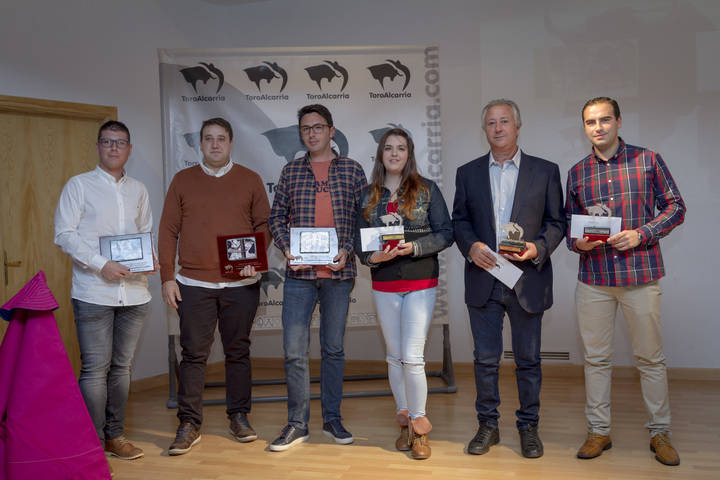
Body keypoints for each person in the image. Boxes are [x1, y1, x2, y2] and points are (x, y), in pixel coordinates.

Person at [566, 97, 686, 466]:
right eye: (590, 122)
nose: (598, 127)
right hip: (594, 279)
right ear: (584, 128)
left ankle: (660, 432)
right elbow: (570, 225)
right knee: (596, 360)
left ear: (619, 121)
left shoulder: (648, 159)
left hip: (640, 276)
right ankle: (598, 431)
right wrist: (579, 243)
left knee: (650, 359)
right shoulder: (577, 172)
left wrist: (642, 233)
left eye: (604, 120)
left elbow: (676, 206)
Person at [452, 99, 565, 458]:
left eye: (504, 121)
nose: (498, 128)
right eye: (491, 123)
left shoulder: (545, 171)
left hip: (526, 279)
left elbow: (557, 222)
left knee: (528, 360)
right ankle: (488, 426)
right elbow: (459, 221)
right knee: (485, 360)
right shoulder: (467, 173)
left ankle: (528, 426)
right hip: (483, 278)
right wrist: (470, 246)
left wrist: (537, 248)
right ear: (484, 129)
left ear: (517, 126)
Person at [158, 117, 270, 455]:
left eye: (221, 138)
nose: (215, 144)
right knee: (193, 355)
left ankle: (239, 416)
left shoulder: (250, 179)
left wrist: (256, 260)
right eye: (209, 138)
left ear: (231, 143)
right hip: (193, 282)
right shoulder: (182, 180)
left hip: (241, 283)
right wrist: (167, 276)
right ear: (201, 144)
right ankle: (189, 423)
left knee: (238, 351)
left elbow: (264, 225)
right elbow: (168, 231)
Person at [54, 120, 154, 468]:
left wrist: (149, 260)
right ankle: (92, 444)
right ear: (98, 146)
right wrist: (101, 264)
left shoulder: (139, 189)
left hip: (135, 295)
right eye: (107, 141)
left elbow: (144, 232)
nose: (114, 147)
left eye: (120, 142)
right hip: (94, 292)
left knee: (122, 368)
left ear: (129, 149)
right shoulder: (78, 186)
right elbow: (64, 234)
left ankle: (115, 436)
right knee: (96, 370)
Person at [268, 104, 367, 451]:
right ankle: (297, 424)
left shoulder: (352, 170)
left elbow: (363, 219)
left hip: (339, 275)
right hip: (299, 275)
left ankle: (332, 419)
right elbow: (276, 217)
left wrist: (348, 249)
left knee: (333, 349)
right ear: (301, 133)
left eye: (318, 127)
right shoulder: (291, 171)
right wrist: (286, 247)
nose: (312, 133)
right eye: (306, 128)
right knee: (294, 351)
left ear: (331, 131)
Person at [355, 128, 453, 459]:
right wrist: (374, 258)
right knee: (394, 356)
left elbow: (446, 233)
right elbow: (359, 243)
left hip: (420, 281)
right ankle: (405, 422)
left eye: (400, 148)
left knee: (412, 357)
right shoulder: (367, 195)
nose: (394, 154)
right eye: (388, 148)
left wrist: (413, 247)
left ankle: (420, 427)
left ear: (409, 154)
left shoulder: (427, 189)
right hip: (384, 282)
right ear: (380, 154)